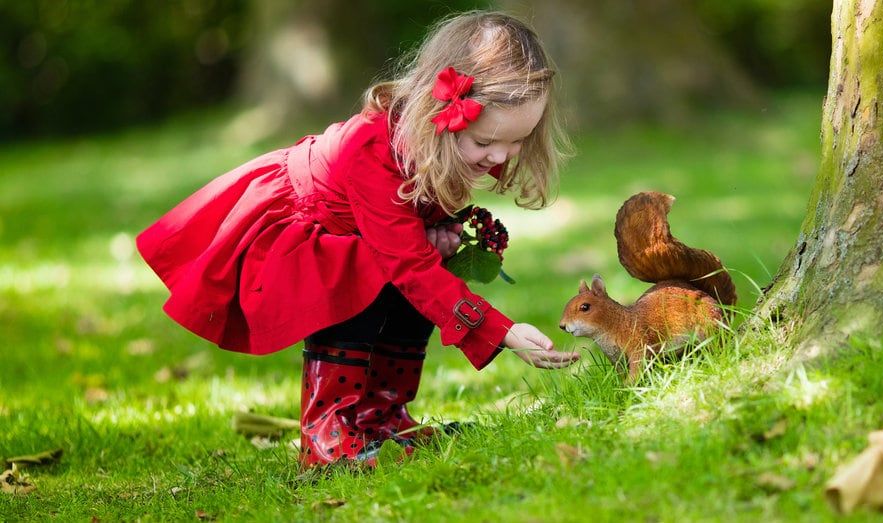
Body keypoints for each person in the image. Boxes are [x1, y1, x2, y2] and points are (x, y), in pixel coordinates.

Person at [136, 11, 580, 467]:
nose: (501, 156)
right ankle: (328, 429)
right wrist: (500, 331)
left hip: (365, 243)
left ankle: (381, 417)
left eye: (517, 142)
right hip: (301, 231)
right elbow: (407, 265)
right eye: (487, 142)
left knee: (412, 286)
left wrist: (436, 233)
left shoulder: (440, 149)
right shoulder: (370, 151)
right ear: (440, 114)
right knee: (366, 281)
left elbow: (408, 243)